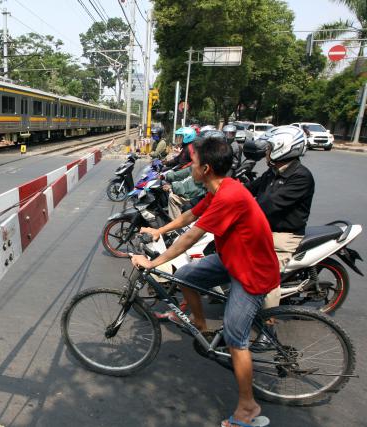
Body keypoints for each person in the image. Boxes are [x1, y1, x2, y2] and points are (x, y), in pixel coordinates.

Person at [132, 133, 279, 427]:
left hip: (251, 272)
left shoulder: (229, 196)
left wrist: (153, 262)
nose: (190, 167)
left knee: (237, 339)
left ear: (206, 169)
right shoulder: (219, 188)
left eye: (193, 163)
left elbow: (191, 238)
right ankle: (201, 325)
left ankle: (248, 408)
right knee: (185, 274)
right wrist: (160, 232)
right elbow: (189, 216)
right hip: (232, 259)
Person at [246, 125, 314, 318]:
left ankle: (268, 328)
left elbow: (268, 204)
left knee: (267, 276)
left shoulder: (301, 176)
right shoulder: (274, 171)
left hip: (283, 236)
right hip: (264, 230)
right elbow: (251, 188)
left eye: (269, 147)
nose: (266, 151)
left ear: (283, 147)